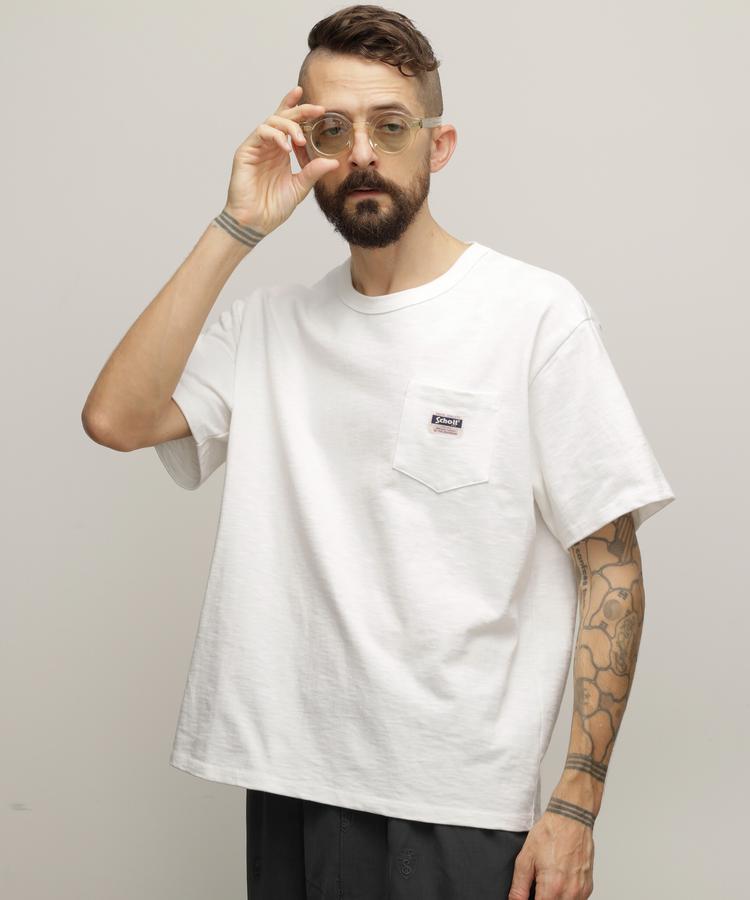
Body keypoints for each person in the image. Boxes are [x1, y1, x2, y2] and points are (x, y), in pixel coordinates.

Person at [81, 5, 676, 898]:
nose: (361, 153)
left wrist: (577, 801)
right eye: (333, 128)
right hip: (289, 779)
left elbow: (611, 564)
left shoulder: (532, 315)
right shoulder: (267, 326)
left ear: (438, 145)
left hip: (457, 802)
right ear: (304, 143)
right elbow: (116, 419)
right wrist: (238, 224)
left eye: (390, 126)